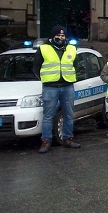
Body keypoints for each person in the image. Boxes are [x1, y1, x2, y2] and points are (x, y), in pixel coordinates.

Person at [33, 25, 82, 153]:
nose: (60, 37)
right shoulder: (44, 49)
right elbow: (36, 68)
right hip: (50, 87)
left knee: (69, 115)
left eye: (63, 35)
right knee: (48, 116)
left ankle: (68, 139)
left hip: (67, 86)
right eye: (58, 35)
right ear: (52, 36)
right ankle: (46, 141)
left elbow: (75, 66)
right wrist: (46, 79)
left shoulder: (72, 48)